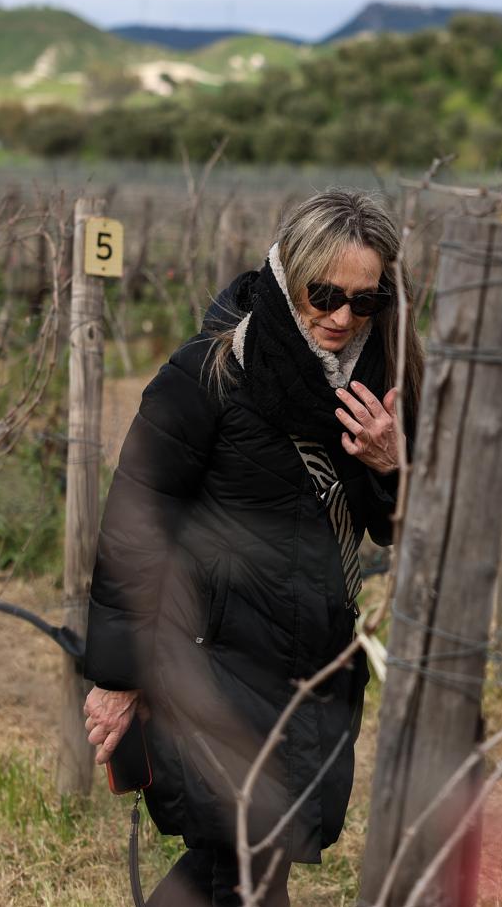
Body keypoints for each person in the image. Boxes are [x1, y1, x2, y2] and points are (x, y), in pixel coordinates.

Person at [80, 189, 422, 907]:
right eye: (323, 294)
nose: (340, 317)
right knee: (246, 867)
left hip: (315, 665)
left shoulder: (381, 378)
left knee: (239, 869)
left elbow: (391, 528)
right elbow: (133, 529)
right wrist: (116, 675)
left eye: (363, 302)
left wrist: (391, 466)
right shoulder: (204, 374)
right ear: (285, 275)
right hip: (210, 665)